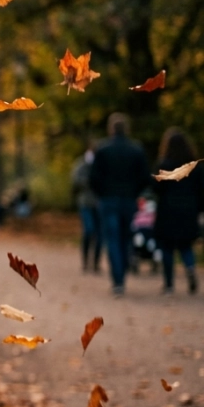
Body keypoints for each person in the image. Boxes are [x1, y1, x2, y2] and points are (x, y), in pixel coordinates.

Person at [89, 112, 150, 296]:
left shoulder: (102, 149)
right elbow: (144, 178)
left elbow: (93, 178)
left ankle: (118, 280)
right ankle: (121, 274)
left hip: (108, 200)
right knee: (126, 238)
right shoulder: (136, 150)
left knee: (113, 239)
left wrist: (102, 194)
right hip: (128, 200)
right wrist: (134, 193)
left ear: (110, 129)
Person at [152, 128, 203, 294]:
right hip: (189, 210)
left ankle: (169, 284)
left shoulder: (163, 165)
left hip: (168, 210)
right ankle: (189, 268)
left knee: (167, 247)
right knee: (186, 246)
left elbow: (156, 188)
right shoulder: (194, 166)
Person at [71, 147, 102, 273]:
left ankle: (95, 263)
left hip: (99, 204)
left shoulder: (101, 164)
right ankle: (85, 261)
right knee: (89, 231)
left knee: (99, 235)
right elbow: (76, 181)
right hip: (85, 203)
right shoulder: (81, 164)